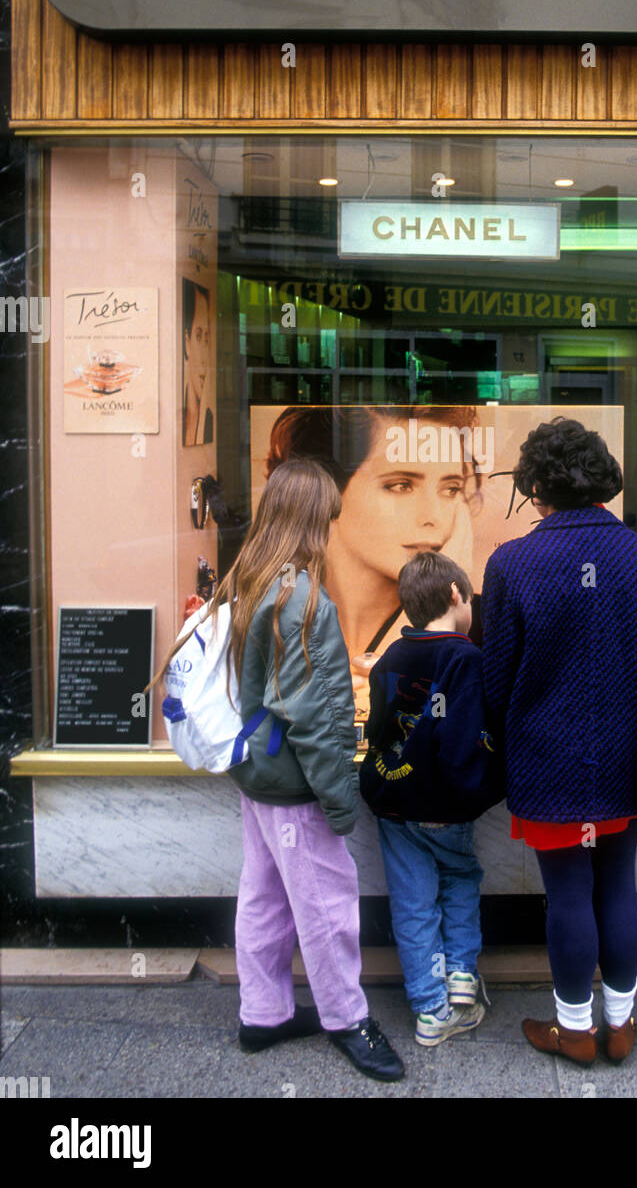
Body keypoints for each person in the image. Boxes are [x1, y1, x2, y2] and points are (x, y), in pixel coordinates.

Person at [152, 457, 404, 1082]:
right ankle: (348, 1020)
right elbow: (313, 719)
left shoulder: (251, 578)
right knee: (325, 904)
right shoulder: (303, 601)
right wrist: (342, 798)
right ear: (313, 520)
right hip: (291, 785)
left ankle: (262, 1013)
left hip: (256, 773)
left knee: (264, 896)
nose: (333, 532)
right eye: (329, 520)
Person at [480, 417, 637, 1067]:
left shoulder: (511, 562)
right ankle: (621, 1024)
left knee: (568, 893)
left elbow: (495, 679)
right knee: (617, 887)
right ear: (601, 478)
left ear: (538, 486)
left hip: (546, 761)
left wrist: (498, 745)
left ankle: (574, 1030)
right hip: (627, 757)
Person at [359, 551, 504, 1047]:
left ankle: (429, 1008)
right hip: (444, 804)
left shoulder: (391, 657)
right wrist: (490, 786)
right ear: (455, 595)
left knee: (412, 902)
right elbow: (462, 744)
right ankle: (462, 981)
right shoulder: (466, 657)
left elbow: (380, 728)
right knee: (459, 880)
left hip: (395, 801)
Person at [264, 405, 486, 725]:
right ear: (326, 491)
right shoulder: (276, 613)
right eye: (401, 485)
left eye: (451, 489)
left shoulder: (476, 628)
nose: (434, 517)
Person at [182, 279, 214, 446]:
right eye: (199, 336)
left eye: (207, 339)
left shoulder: (209, 421)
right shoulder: (177, 419)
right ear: (187, 342)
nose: (204, 359)